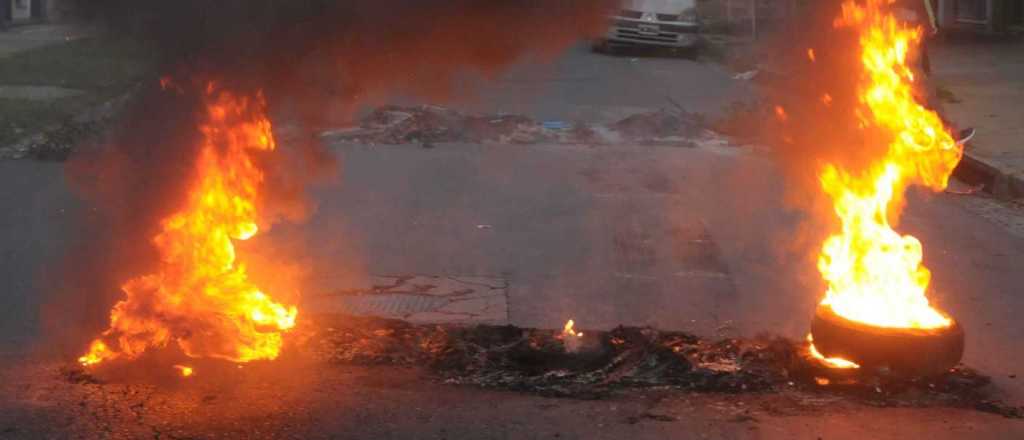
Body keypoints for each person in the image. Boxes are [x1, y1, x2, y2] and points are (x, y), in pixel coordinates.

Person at [893, 0, 975, 144]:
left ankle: (920, 132)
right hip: (903, 22)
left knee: (908, 78)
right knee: (917, 79)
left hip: (886, 22)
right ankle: (944, 132)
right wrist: (929, 23)